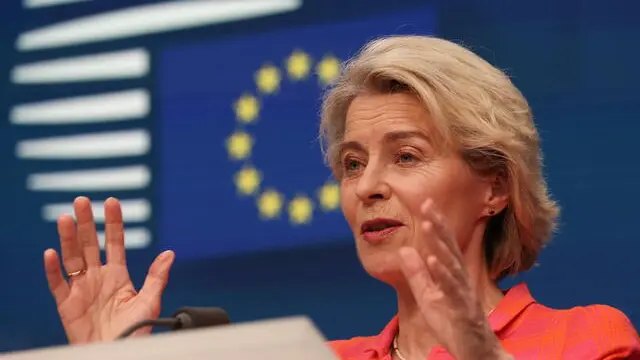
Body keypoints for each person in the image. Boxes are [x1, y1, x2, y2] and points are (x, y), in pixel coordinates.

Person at [43, 35, 640, 360]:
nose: (367, 186)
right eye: (352, 164)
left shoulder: (588, 341)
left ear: (495, 187)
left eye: (406, 156)